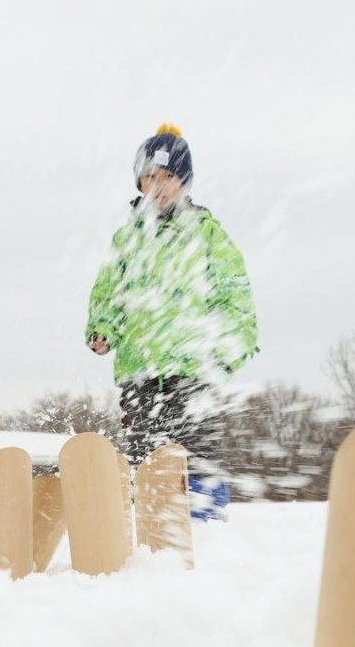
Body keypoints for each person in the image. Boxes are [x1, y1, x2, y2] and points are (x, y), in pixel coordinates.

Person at [85, 123, 257, 520]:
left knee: (197, 455)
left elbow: (237, 300)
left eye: (168, 177)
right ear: (139, 181)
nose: (158, 186)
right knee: (147, 459)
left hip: (194, 370)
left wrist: (225, 353)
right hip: (140, 371)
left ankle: (205, 527)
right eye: (150, 177)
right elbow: (109, 292)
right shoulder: (127, 239)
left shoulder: (208, 235)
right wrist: (103, 329)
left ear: (184, 181)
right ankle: (152, 535)